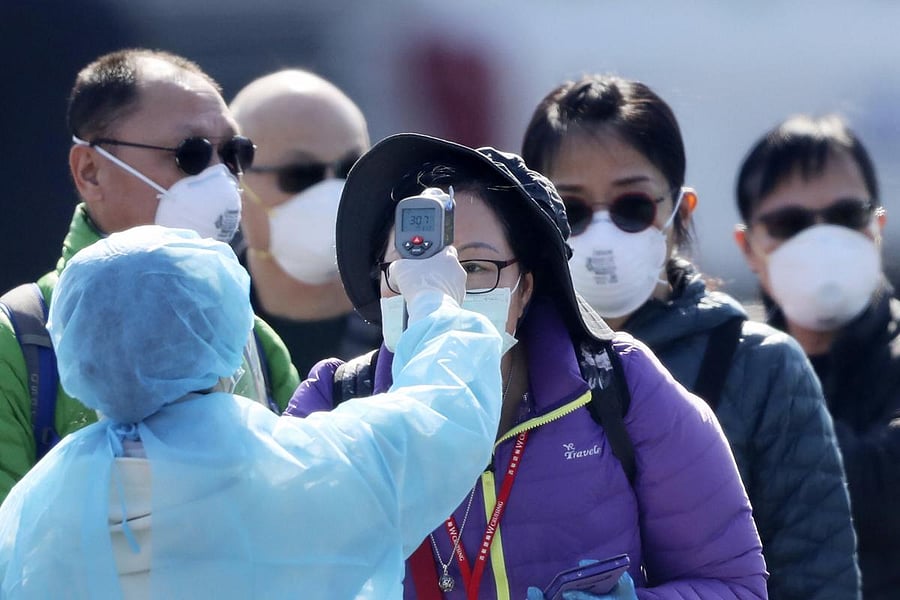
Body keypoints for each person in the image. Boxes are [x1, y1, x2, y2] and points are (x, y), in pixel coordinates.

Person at [284, 132, 768, 599]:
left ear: (525, 288)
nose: (443, 291)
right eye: (415, 267)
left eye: (474, 268)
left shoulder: (620, 387)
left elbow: (734, 585)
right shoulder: (334, 402)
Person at [0, 225, 502, 598]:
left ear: (77, 349)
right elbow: (443, 414)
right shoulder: (298, 468)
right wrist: (434, 302)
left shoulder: (34, 509)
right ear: (224, 337)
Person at [521, 75, 860, 599]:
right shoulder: (502, 365)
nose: (603, 236)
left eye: (633, 206)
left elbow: (819, 580)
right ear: (534, 222)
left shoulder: (760, 365)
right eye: (572, 210)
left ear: (680, 212)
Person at [0, 48, 299, 503]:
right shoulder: (16, 343)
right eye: (191, 154)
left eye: (234, 154)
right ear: (90, 171)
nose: (220, 178)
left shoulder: (253, 340)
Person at [734, 114, 900, 600]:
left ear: (877, 226)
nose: (822, 242)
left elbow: (880, 494)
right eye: (789, 225)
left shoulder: (732, 377)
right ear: (748, 248)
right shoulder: (731, 362)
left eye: (847, 216)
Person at [229, 69, 382, 376]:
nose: (333, 192)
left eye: (351, 168)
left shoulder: (418, 312)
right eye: (300, 174)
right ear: (235, 182)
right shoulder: (201, 317)